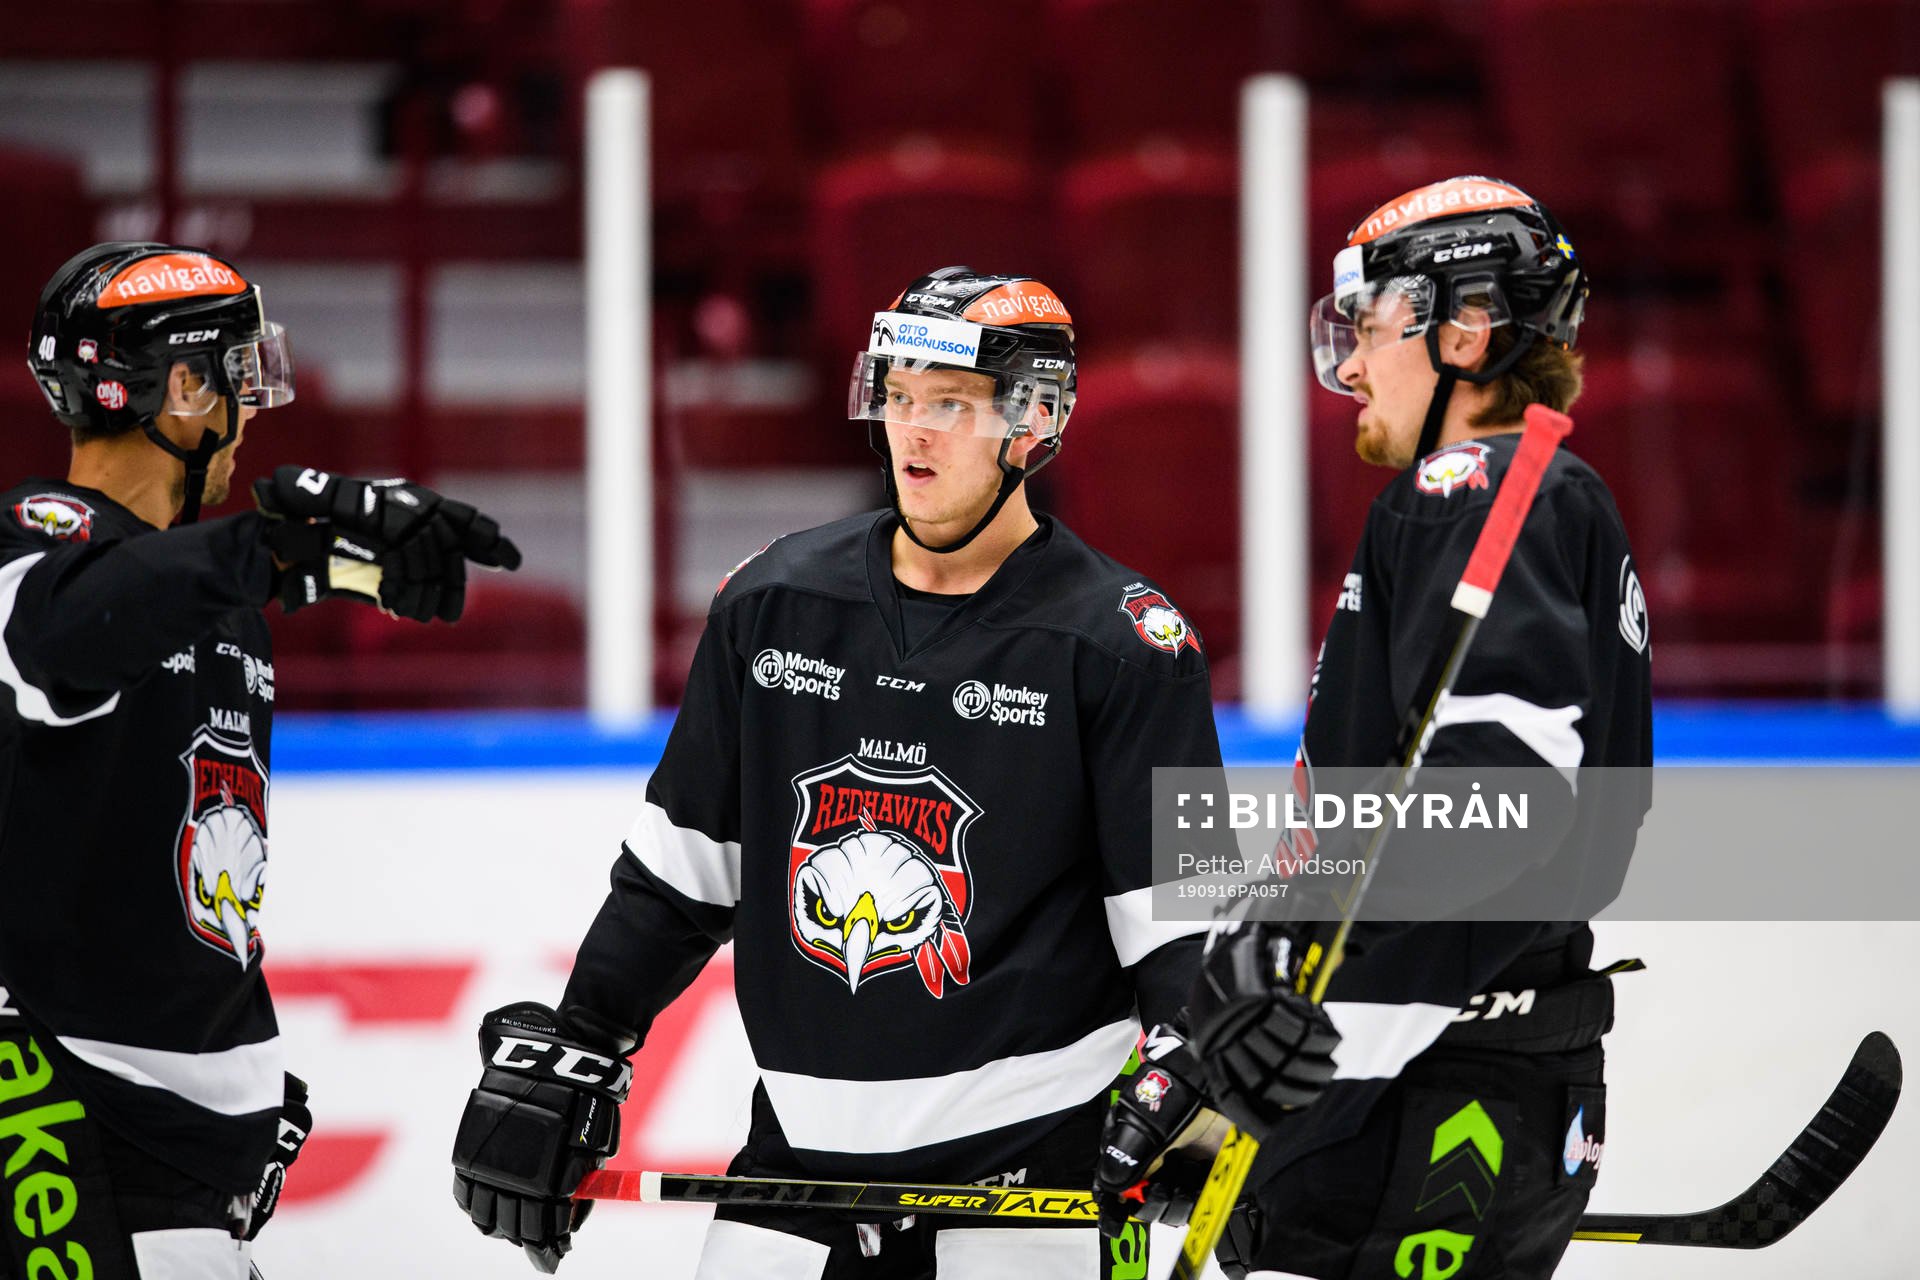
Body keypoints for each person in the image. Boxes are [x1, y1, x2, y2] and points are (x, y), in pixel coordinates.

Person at [451, 267, 1219, 1279]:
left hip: (1033, 1186)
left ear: (1033, 419)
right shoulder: (770, 602)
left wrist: (1196, 1076)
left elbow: (1187, 923)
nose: (913, 430)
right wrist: (586, 1037)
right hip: (792, 1172)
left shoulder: (1133, 642)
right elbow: (678, 876)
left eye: (949, 402)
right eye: (898, 395)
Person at [1093, 176, 1654, 1280]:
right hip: (1459, 1090)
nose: (1349, 365)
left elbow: (1497, 800)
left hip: (1422, 1102)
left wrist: (1260, 1003)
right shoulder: (1533, 492)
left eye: (1368, 325)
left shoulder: (1478, 481)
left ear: (1471, 323)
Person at [1, 241, 520, 1279]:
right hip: (57, 1137)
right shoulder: (30, 548)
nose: (249, 408)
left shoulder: (231, 608)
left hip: (187, 1169)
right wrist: (283, 546)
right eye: (238, 375)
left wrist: (243, 1074)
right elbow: (68, 631)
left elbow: (180, 881)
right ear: (182, 387)